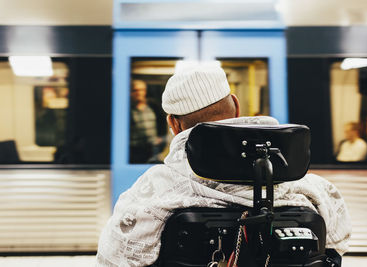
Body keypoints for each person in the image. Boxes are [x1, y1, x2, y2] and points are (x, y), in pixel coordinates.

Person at [96, 66, 351, 266]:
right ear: (237, 105)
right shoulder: (313, 188)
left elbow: (116, 260)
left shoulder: (153, 190)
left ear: (173, 125)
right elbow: (335, 249)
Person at [130, 80, 166, 163]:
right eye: (135, 90)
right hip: (134, 150)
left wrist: (161, 138)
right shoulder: (127, 108)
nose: (139, 93)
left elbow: (162, 122)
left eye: (142, 90)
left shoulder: (153, 105)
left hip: (153, 149)